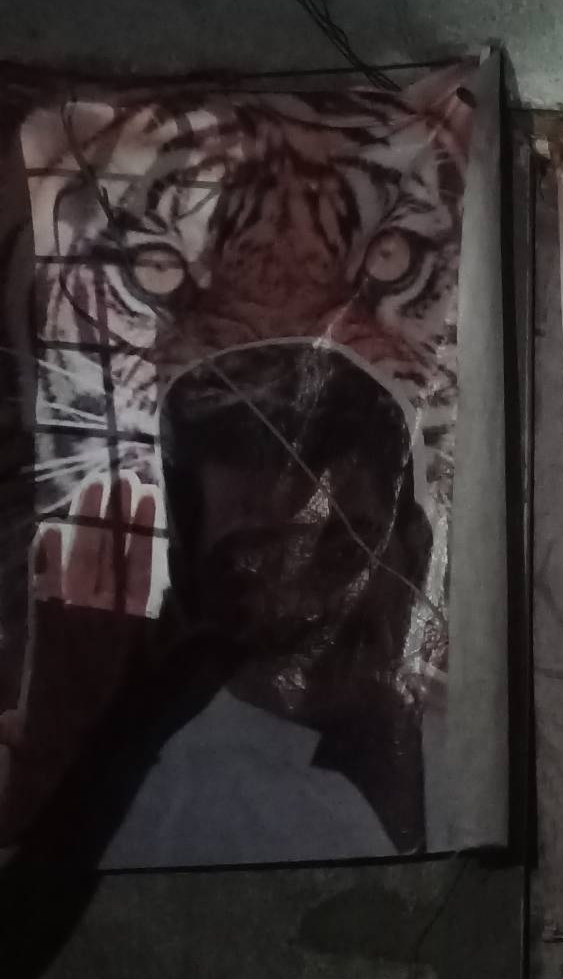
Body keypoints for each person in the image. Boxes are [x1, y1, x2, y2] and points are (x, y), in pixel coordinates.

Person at [4, 340, 434, 869]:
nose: (305, 605)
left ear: (417, 550)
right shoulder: (166, 815)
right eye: (253, 566)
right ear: (191, 592)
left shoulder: (490, 740)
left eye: (344, 552)